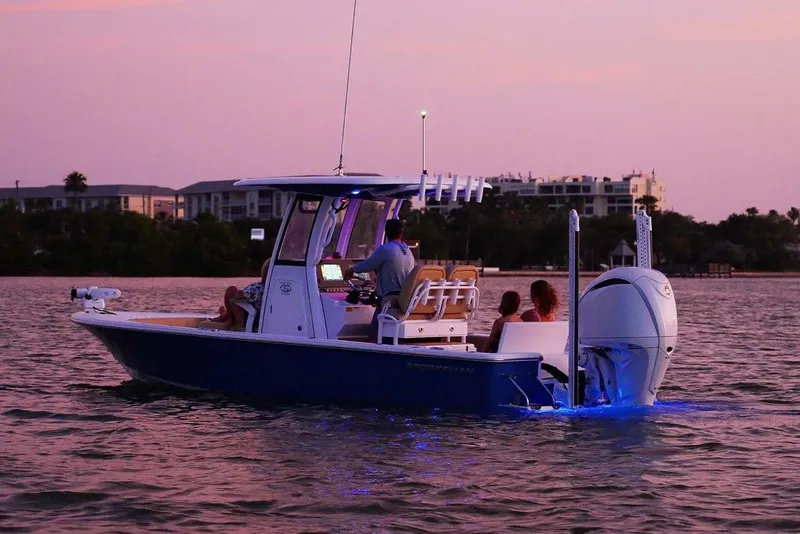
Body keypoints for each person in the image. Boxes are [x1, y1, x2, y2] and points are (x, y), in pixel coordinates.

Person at [343, 218, 415, 339]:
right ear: (401, 232)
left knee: (373, 335)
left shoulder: (385, 249)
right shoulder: (408, 252)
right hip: (404, 298)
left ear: (386, 233)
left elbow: (368, 265)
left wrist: (352, 270)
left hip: (389, 300)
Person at [204, 257, 271, 330]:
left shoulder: (259, 288)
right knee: (234, 299)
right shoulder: (270, 289)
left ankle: (229, 319)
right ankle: (224, 316)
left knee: (231, 291)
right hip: (254, 313)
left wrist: (244, 294)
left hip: (250, 316)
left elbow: (240, 295)